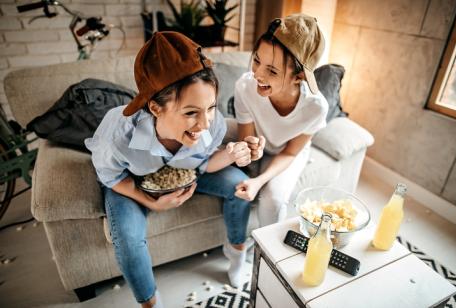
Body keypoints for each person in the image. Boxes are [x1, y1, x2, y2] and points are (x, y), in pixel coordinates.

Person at [85, 31, 253, 308]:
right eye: (190, 113)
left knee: (241, 185)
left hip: (188, 173)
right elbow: (111, 176)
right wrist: (152, 202)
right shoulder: (118, 135)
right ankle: (151, 303)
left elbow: (204, 163)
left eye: (210, 107)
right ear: (155, 108)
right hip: (132, 182)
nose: (205, 123)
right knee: (126, 236)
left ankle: (236, 255)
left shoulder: (213, 123)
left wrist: (233, 154)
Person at [234, 14, 329, 227]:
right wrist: (250, 149)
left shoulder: (316, 108)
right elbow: (246, 138)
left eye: (272, 70)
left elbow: (290, 152)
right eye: (257, 60)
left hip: (288, 151)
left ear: (299, 77)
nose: (257, 74)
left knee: (273, 200)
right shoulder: (244, 86)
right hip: (259, 137)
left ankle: (265, 253)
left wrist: (259, 181)